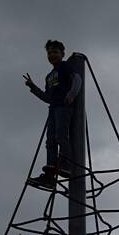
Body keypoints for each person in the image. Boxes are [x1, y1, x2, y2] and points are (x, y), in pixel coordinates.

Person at [23, 40, 82, 189]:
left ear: (62, 54)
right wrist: (33, 87)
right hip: (53, 108)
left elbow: (77, 79)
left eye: (55, 52)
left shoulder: (65, 66)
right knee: (50, 141)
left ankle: (67, 164)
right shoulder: (49, 76)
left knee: (61, 135)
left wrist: (72, 94)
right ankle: (50, 175)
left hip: (64, 106)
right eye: (49, 53)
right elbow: (47, 97)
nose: (52, 55)